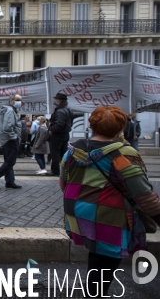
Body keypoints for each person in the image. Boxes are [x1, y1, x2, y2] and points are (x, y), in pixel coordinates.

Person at [60, 106, 160, 297]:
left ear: (92, 125)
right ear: (120, 128)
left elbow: (63, 182)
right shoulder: (123, 155)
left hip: (78, 213)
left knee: (97, 260)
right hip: (107, 217)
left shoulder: (73, 151)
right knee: (104, 265)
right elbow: (143, 195)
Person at [0, 94, 22, 190]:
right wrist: (14, 137)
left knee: (8, 161)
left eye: (20, 100)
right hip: (10, 140)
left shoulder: (8, 110)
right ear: (11, 100)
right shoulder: (10, 111)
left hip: (7, 139)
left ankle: (10, 182)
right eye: (17, 100)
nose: (19, 102)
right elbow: (7, 127)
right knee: (10, 162)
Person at [49, 92, 73, 176]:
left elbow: (59, 123)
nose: (54, 100)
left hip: (57, 135)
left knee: (55, 153)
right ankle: (65, 169)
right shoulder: (68, 110)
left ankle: (55, 170)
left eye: (56, 99)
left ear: (60, 100)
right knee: (63, 153)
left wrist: (52, 130)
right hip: (65, 134)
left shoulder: (60, 111)